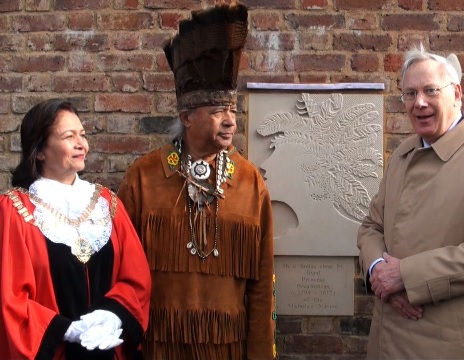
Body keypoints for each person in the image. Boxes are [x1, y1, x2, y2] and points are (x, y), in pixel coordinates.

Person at [117, 4, 275, 359]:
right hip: (158, 348)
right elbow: (121, 276)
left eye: (232, 110)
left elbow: (263, 287)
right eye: (218, 111)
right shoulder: (142, 180)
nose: (230, 120)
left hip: (228, 350)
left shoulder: (251, 183)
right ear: (186, 117)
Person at [356, 45, 464, 359]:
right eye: (410, 93)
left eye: (430, 90)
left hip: (453, 344)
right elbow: (371, 227)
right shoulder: (402, 157)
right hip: (388, 338)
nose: (419, 102)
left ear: (457, 93)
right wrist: (379, 272)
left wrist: (406, 276)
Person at [0, 99, 151, 359]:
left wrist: (112, 315)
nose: (82, 144)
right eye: (69, 136)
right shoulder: (14, 211)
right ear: (39, 151)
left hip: (107, 351)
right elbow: (11, 299)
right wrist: (66, 330)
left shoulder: (108, 204)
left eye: (82, 134)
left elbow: (136, 279)